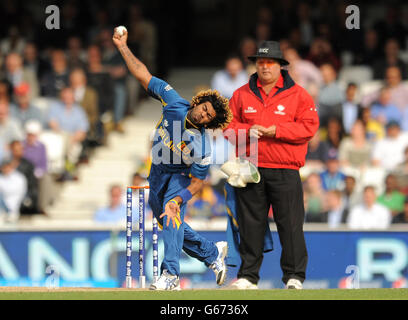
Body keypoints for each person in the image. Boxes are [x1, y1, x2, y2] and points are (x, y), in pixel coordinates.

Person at [113, 28, 233, 290]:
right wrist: (123, 46)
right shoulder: (173, 100)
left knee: (171, 213)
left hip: (180, 177)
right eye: (204, 109)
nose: (203, 115)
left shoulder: (201, 146)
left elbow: (198, 183)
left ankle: (171, 275)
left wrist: (178, 199)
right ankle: (212, 253)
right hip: (157, 171)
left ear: (211, 122)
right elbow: (144, 76)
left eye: (209, 116)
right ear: (198, 102)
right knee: (170, 225)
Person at [225, 41, 319, 290]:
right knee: (250, 224)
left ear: (280, 66)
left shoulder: (299, 94)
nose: (264, 66)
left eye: (269, 62)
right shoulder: (241, 94)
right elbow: (227, 127)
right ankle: (248, 277)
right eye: (260, 62)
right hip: (251, 168)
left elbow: (309, 127)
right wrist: (248, 130)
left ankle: (294, 277)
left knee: (290, 225)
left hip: (285, 169)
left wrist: (276, 130)